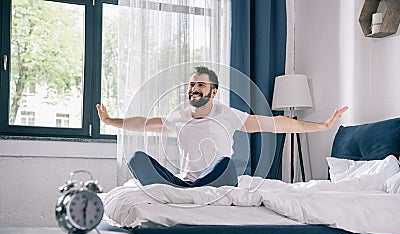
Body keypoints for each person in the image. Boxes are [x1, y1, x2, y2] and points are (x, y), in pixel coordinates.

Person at [97, 66, 348, 187]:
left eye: (201, 85)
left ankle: (203, 187)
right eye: (192, 85)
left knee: (224, 163)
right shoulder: (180, 116)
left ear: (213, 92)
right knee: (137, 158)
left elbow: (273, 124)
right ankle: (180, 187)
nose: (194, 89)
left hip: (220, 178)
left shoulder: (226, 114)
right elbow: (143, 123)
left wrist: (321, 126)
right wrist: (110, 121)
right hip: (186, 181)